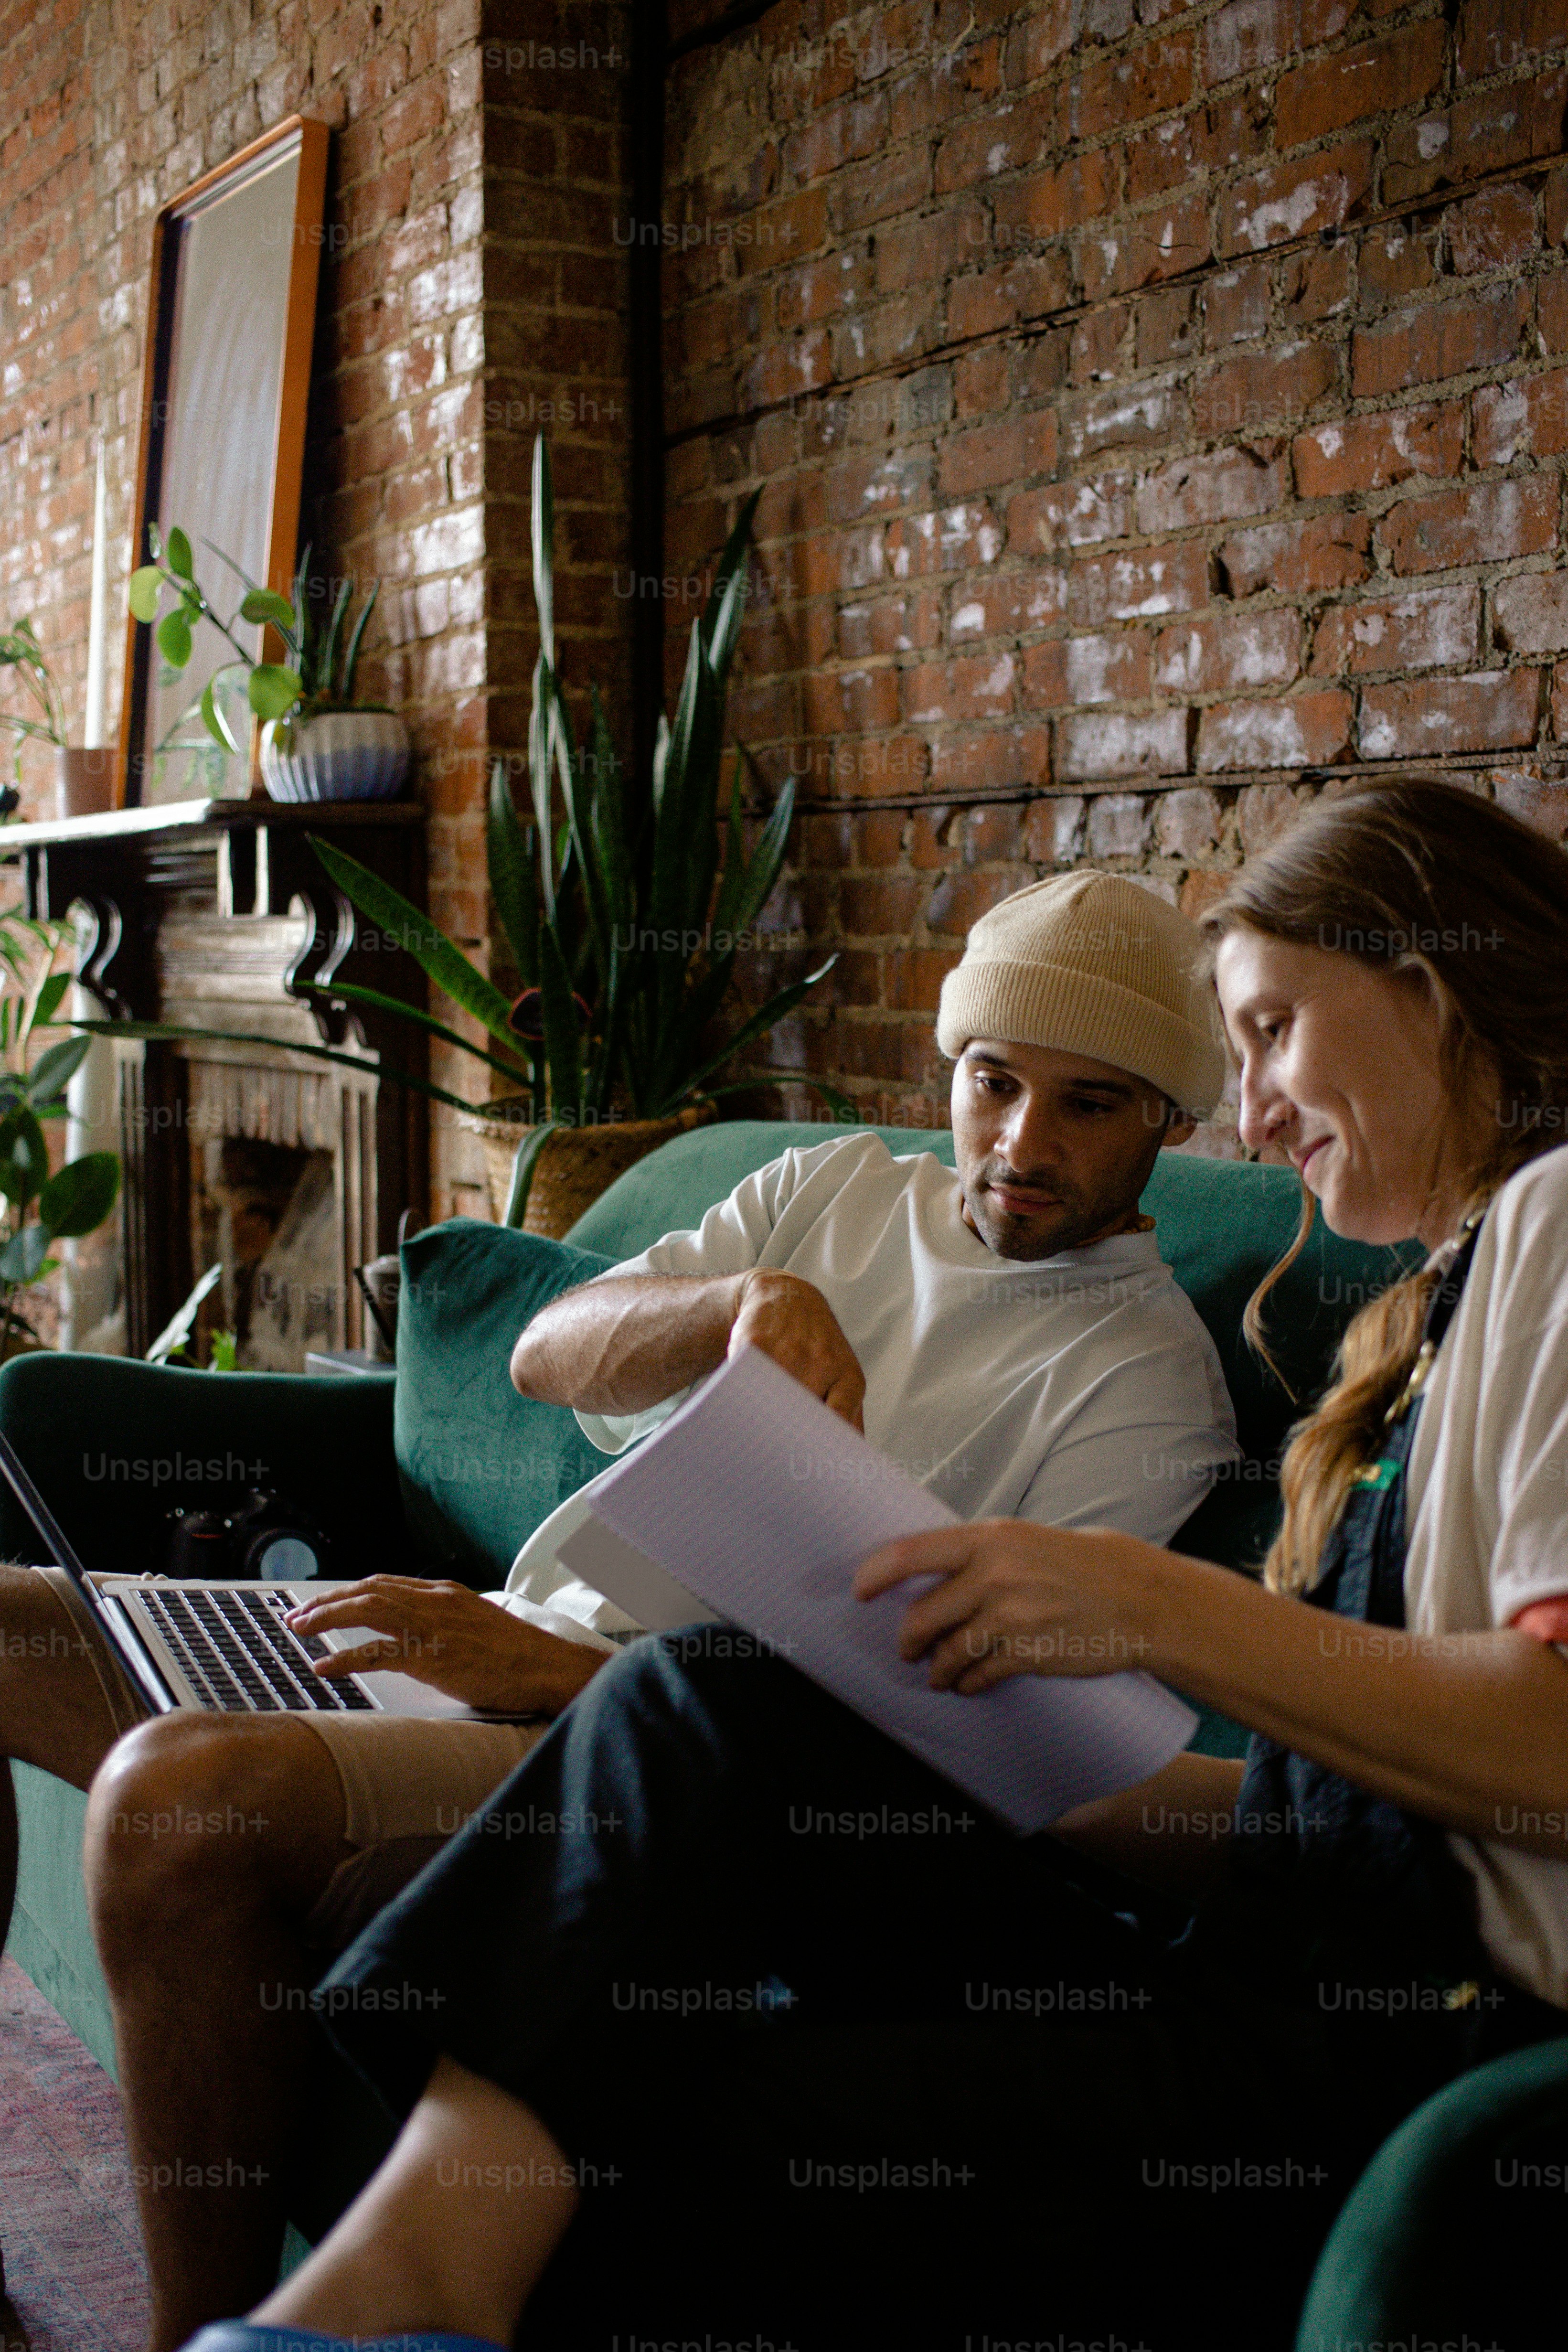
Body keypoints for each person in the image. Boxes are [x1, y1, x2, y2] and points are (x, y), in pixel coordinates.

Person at [191, 776, 1568, 2352]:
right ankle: (372, 2310)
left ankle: (367, 2315)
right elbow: (1318, 1830)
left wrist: (1145, 1606)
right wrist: (1003, 1741)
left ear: (1431, 983)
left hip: (1352, 2062)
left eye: (1267, 1031)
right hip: (1251, 1969)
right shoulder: (1437, 1309)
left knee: (680, 2117)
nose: (1251, 1115)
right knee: (707, 1700)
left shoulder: (1557, 1223)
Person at [1, 871, 1237, 2348]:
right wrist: (734, 1307)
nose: (1022, 1143)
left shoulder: (1144, 1382)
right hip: (478, 1646)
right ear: (949, 1068)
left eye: (1090, 1104)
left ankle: (208, 2335)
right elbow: (543, 1351)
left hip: (624, 1756)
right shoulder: (835, 1185)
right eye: (993, 1082)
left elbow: (954, 1745)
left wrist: (557, 1673)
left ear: (1169, 1120)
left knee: (177, 1795)